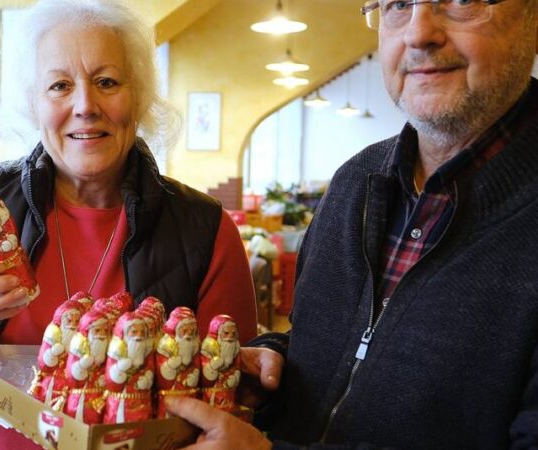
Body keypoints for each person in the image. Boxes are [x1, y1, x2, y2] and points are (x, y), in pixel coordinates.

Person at [0, 0, 257, 448]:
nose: (86, 105)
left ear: (138, 95)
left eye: (107, 81)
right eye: (60, 85)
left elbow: (237, 402)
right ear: (33, 103)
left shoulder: (205, 228)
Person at [167, 0, 538, 448]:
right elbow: (343, 352)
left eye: (460, 0)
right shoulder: (354, 184)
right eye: (398, 4)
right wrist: (278, 365)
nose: (419, 33)